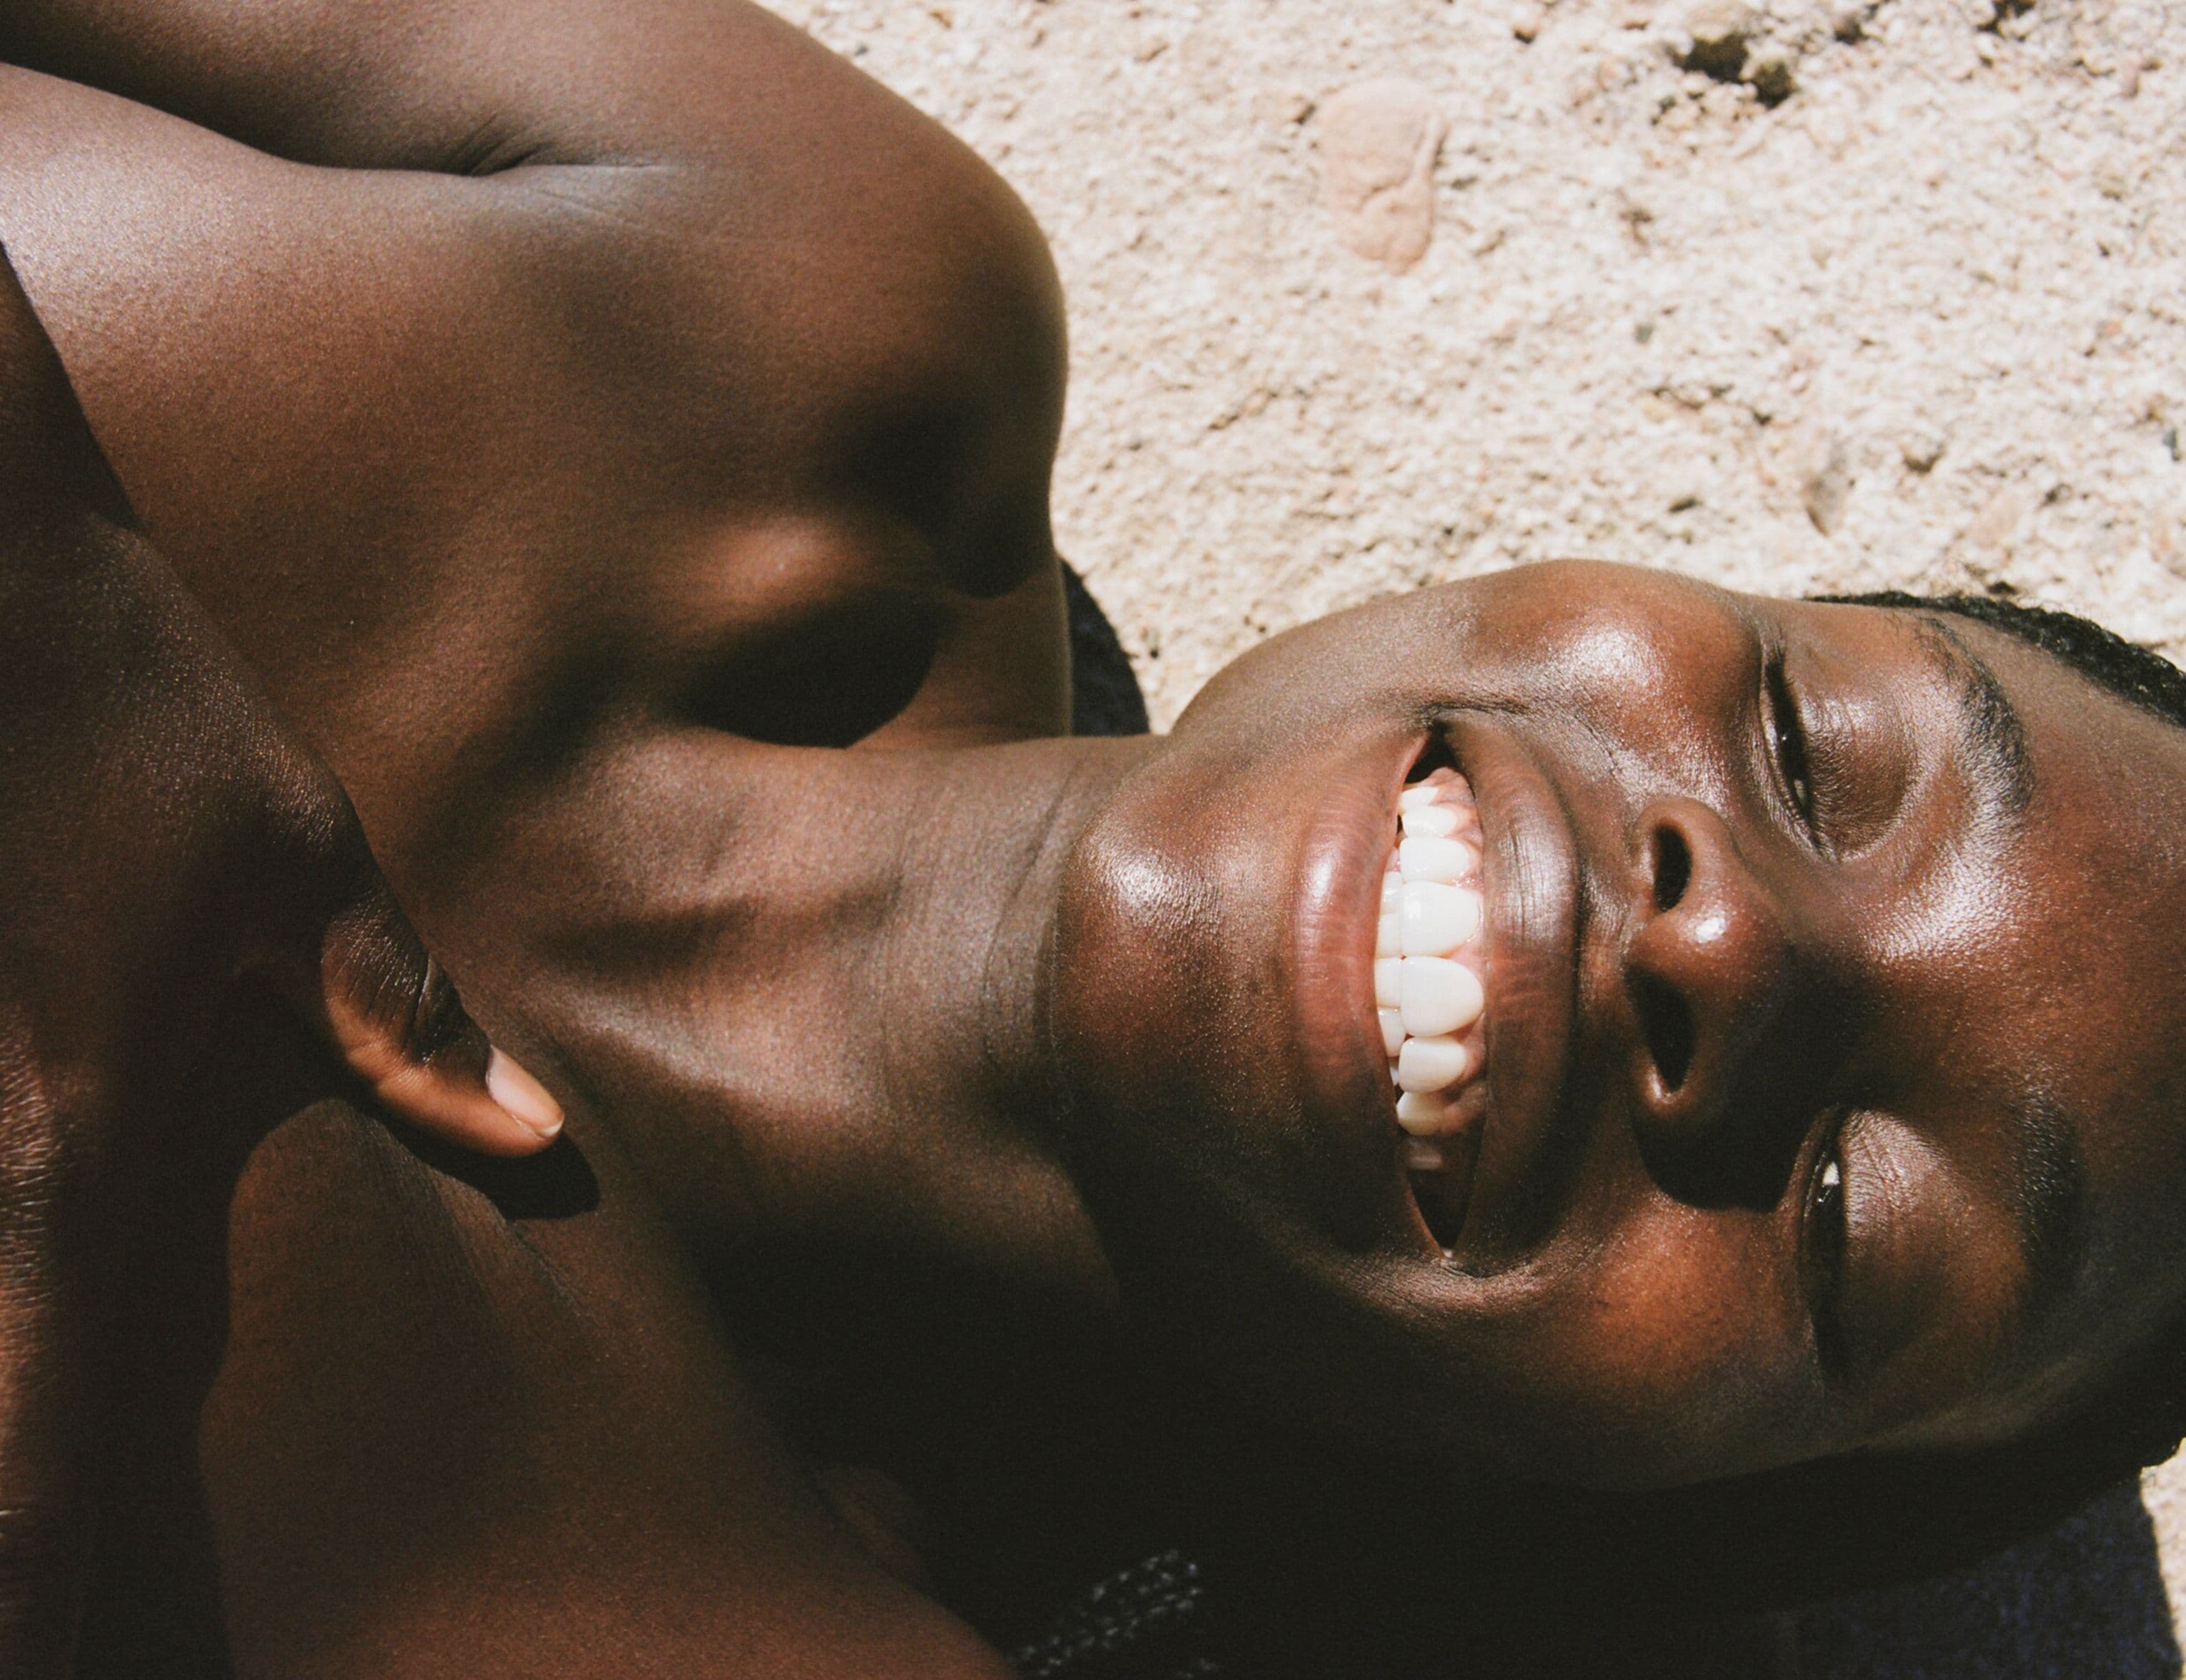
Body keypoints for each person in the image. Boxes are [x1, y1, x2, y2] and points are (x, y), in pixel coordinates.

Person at [1, 2, 2182, 1674]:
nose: (1735, 945)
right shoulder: (811, 281)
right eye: (1809, 746)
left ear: (1659, 1510)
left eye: (1842, 1222)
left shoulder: (684, 1617)